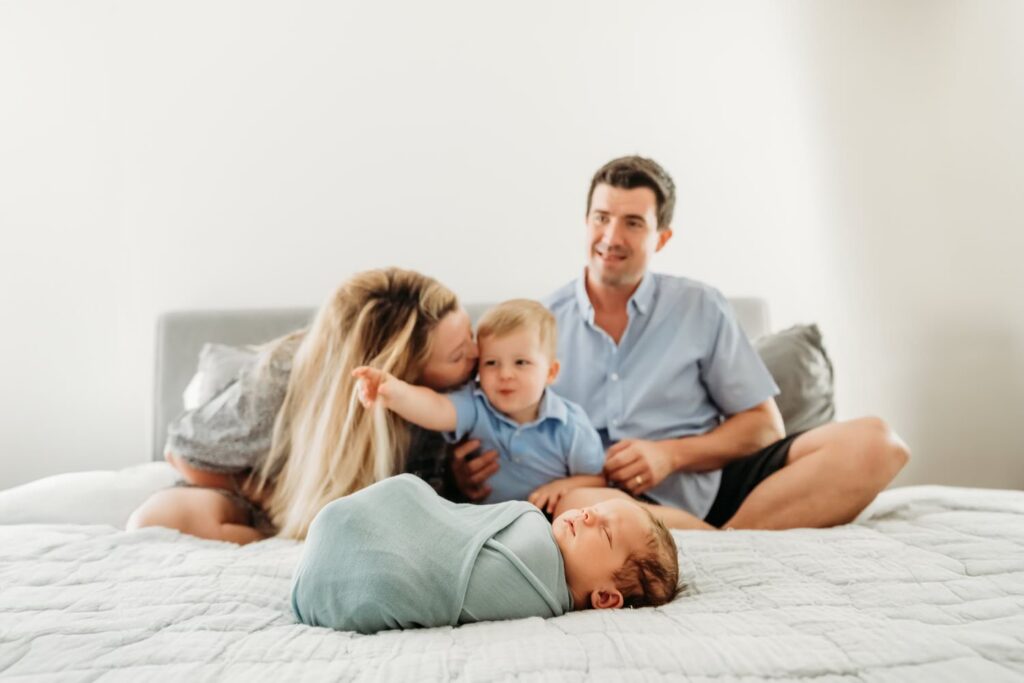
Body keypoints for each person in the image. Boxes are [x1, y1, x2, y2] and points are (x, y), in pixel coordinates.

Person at [453, 156, 910, 531]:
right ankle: (715, 540)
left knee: (878, 442)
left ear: (661, 237)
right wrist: (464, 475)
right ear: (585, 222)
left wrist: (669, 455)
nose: (611, 237)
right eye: (601, 218)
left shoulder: (701, 306)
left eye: (632, 222)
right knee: (572, 502)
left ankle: (730, 541)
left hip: (707, 484)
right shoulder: (537, 325)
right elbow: (493, 418)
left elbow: (764, 428)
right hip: (599, 499)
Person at [127, 267, 480, 543]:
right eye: (458, 355)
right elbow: (182, 452)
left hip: (351, 515)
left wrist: (460, 482)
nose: (477, 358)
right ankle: (281, 540)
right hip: (269, 496)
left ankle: (307, 536)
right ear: (398, 373)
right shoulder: (281, 379)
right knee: (157, 517)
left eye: (472, 338)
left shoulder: (471, 391)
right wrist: (267, 497)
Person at [291, 474, 679, 634]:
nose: (589, 513)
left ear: (606, 598)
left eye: (605, 532)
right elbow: (453, 521)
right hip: (349, 537)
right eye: (601, 508)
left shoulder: (537, 582)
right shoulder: (537, 534)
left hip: (372, 578)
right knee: (409, 489)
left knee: (394, 558)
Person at [353, 299, 605, 510]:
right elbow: (436, 408)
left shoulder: (570, 424)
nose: (505, 374)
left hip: (551, 524)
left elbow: (598, 480)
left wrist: (563, 487)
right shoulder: (476, 404)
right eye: (491, 363)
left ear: (551, 372)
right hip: (484, 524)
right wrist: (393, 390)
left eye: (521, 363)